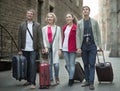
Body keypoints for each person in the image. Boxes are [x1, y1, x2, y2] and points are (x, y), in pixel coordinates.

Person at [76, 6, 102, 90]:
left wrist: (100, 45)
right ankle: (87, 80)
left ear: (89, 11)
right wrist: (78, 47)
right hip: (84, 46)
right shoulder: (79, 23)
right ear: (82, 12)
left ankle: (91, 82)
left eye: (86, 9)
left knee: (92, 64)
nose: (85, 11)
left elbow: (98, 33)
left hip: (92, 46)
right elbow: (78, 36)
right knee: (86, 64)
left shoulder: (94, 22)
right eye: (83, 9)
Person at [18, 9, 44, 89]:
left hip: (33, 49)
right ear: (26, 15)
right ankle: (28, 80)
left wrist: (42, 47)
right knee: (26, 65)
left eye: (31, 14)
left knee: (32, 65)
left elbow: (40, 37)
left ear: (33, 16)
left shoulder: (37, 25)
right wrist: (19, 49)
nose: (29, 15)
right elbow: (19, 38)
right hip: (24, 48)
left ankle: (33, 82)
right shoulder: (22, 25)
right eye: (28, 14)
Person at [42, 12, 62, 85]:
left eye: (51, 17)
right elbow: (44, 39)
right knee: (49, 65)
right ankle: (50, 79)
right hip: (48, 48)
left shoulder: (58, 28)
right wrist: (45, 47)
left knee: (56, 65)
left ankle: (56, 77)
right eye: (48, 17)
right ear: (47, 19)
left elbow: (60, 38)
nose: (50, 18)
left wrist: (60, 49)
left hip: (56, 48)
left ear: (54, 18)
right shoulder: (44, 28)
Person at [62, 13, 77, 86]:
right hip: (64, 48)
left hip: (72, 49)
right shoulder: (64, 27)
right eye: (66, 17)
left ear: (72, 18)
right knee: (67, 64)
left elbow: (78, 39)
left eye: (69, 17)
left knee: (72, 64)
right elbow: (64, 38)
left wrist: (78, 47)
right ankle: (72, 75)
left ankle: (71, 79)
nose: (68, 18)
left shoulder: (75, 27)